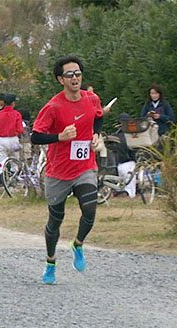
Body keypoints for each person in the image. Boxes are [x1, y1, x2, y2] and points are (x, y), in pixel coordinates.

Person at [31, 55, 102, 285]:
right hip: (58, 171)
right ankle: (50, 262)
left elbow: (98, 117)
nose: (75, 78)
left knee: (90, 209)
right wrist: (59, 137)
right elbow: (35, 136)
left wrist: (95, 135)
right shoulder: (53, 107)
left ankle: (78, 244)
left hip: (85, 167)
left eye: (78, 73)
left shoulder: (91, 99)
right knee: (55, 221)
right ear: (61, 79)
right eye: (70, 74)